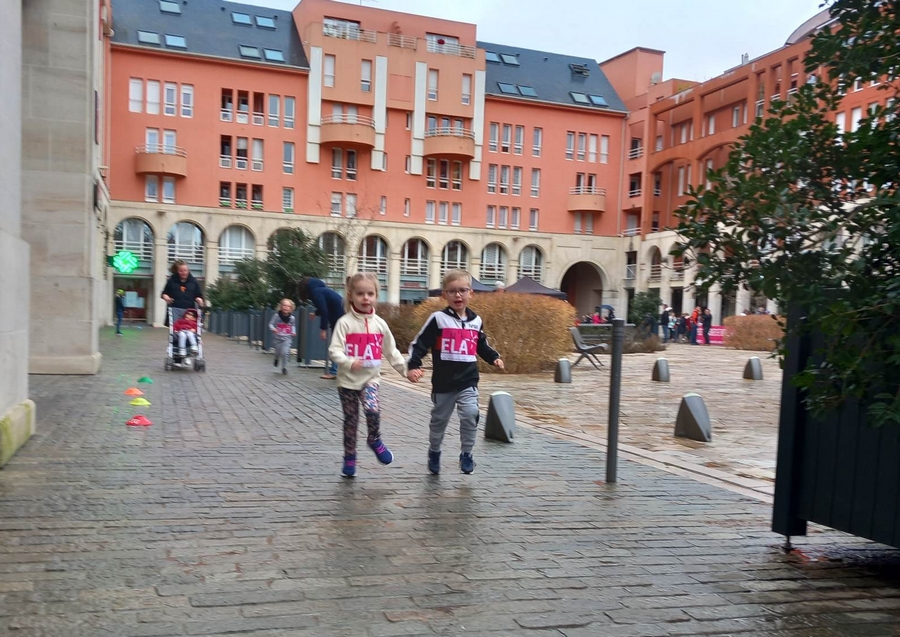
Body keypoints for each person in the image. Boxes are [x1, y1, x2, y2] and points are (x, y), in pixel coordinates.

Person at [407, 269, 504, 476]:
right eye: (452, 291)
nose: (458, 295)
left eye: (462, 290)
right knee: (439, 420)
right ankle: (434, 451)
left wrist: (493, 357)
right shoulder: (438, 319)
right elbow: (420, 343)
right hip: (443, 382)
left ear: (471, 293)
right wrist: (413, 365)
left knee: (470, 414)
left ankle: (466, 454)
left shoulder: (475, 321)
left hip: (468, 380)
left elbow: (481, 344)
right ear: (445, 295)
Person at [328, 273, 408, 478]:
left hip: (370, 380)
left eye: (370, 294)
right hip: (347, 382)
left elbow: (391, 351)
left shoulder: (380, 324)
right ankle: (350, 458)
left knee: (372, 410)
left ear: (376, 296)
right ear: (351, 295)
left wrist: (407, 371)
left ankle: (374, 439)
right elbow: (334, 350)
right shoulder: (344, 323)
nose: (366, 298)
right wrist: (348, 362)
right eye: (360, 293)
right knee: (351, 421)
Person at [298, 277, 345, 380]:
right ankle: (338, 371)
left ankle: (335, 372)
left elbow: (324, 311)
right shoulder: (322, 290)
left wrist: (323, 329)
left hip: (339, 319)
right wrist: (315, 312)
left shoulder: (316, 292)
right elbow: (326, 306)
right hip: (341, 317)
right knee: (340, 345)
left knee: (336, 345)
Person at [161, 260, 204, 325]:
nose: (183, 273)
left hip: (189, 312)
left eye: (185, 270)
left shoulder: (193, 282)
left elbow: (199, 295)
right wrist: (166, 297)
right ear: (177, 271)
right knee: (175, 330)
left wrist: (199, 299)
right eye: (181, 271)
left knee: (189, 329)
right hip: (175, 309)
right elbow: (164, 293)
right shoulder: (172, 281)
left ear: (188, 270)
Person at [270, 298, 296, 375]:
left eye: (288, 306)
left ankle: (284, 367)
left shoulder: (292, 318)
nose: (286, 307)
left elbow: (293, 325)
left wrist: (293, 332)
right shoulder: (277, 316)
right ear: (281, 306)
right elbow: (270, 324)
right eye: (284, 305)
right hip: (278, 338)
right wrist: (273, 329)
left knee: (285, 352)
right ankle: (276, 359)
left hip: (287, 338)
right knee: (278, 352)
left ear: (291, 309)